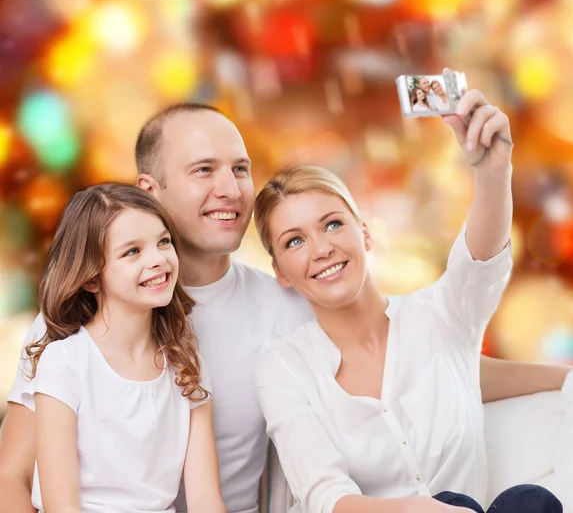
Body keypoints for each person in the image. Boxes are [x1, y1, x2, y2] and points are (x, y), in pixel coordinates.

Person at [1, 102, 571, 513]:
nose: (230, 187)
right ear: (150, 190)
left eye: (240, 168)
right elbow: (10, 482)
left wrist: (561, 377)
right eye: (204, 170)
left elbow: (422, 365)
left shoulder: (289, 304)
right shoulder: (73, 324)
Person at [252, 90, 567, 513]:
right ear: (280, 272)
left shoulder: (439, 318)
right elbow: (325, 496)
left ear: (364, 233)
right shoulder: (284, 366)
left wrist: (493, 172)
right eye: (295, 241)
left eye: (332, 224)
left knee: (529, 503)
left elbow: (480, 260)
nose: (321, 248)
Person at [21, 183, 224, 513]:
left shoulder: (186, 363)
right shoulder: (65, 363)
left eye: (163, 242)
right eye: (132, 251)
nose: (158, 259)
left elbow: (206, 500)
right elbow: (63, 507)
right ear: (91, 278)